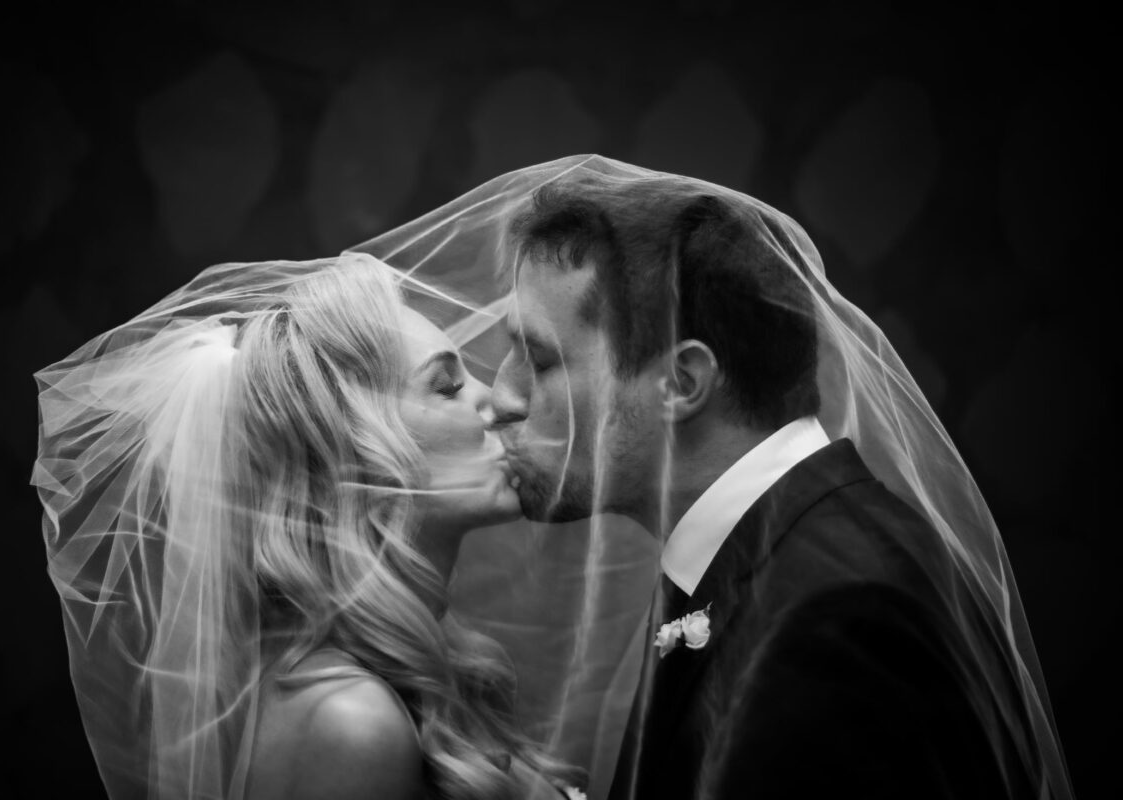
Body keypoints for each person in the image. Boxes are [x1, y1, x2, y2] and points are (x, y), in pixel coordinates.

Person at [353, 155, 1072, 799]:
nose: (503, 397)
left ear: (681, 381)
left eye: (539, 361)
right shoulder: (779, 556)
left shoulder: (834, 617)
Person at [33, 254, 580, 799]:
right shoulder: (349, 722)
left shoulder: (430, 667)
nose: (497, 401)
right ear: (352, 454)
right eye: (447, 386)